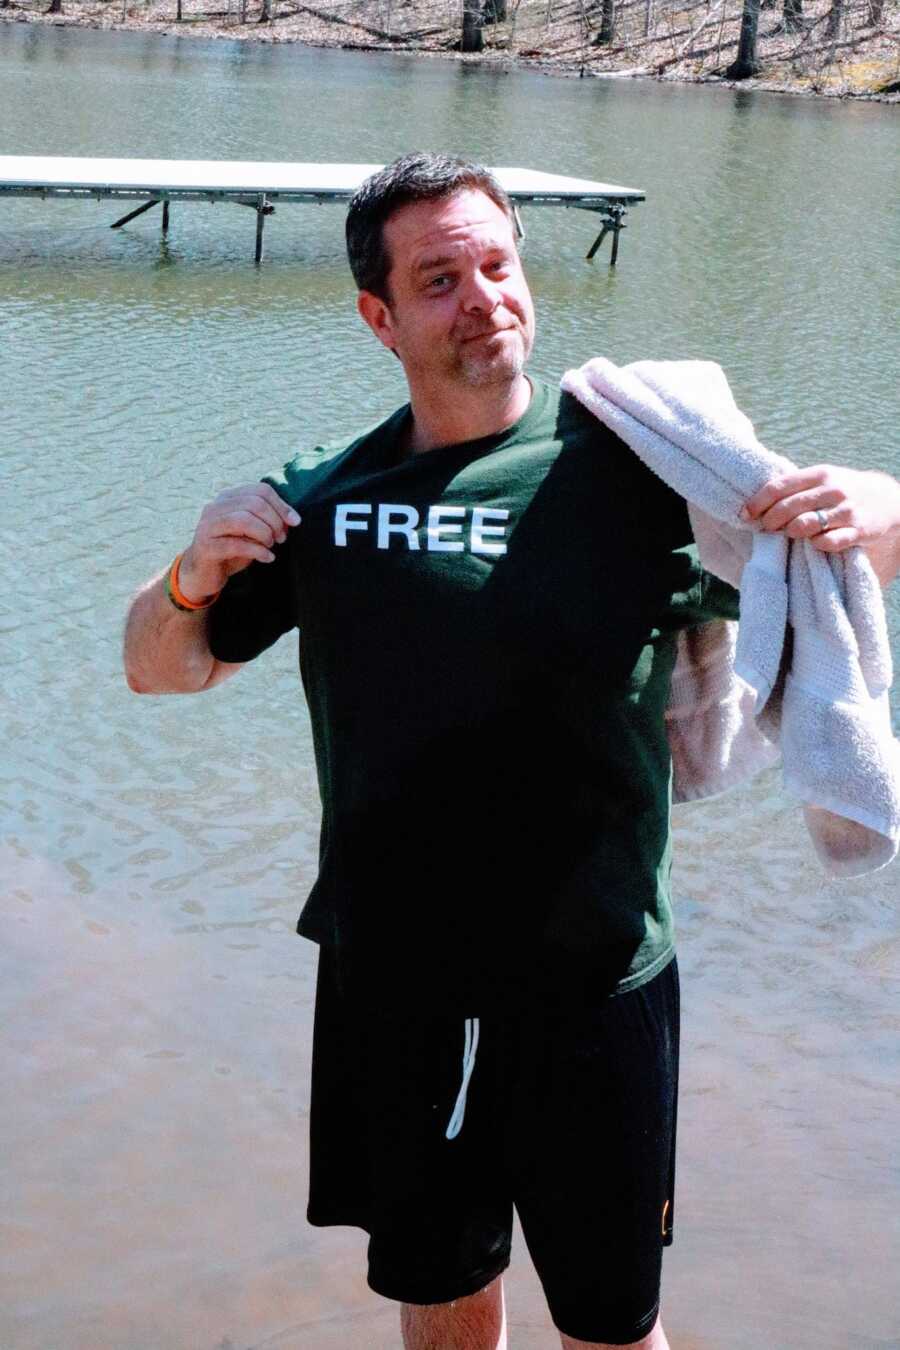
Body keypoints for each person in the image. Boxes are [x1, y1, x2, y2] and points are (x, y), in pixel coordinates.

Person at [124, 153, 900, 1350]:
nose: (485, 296)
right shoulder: (325, 501)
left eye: (497, 263)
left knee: (614, 1325)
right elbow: (161, 664)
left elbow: (835, 543)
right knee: (439, 1300)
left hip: (597, 984)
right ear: (378, 317)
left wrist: (878, 499)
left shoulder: (646, 467)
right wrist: (184, 577)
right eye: (439, 279)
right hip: (395, 986)